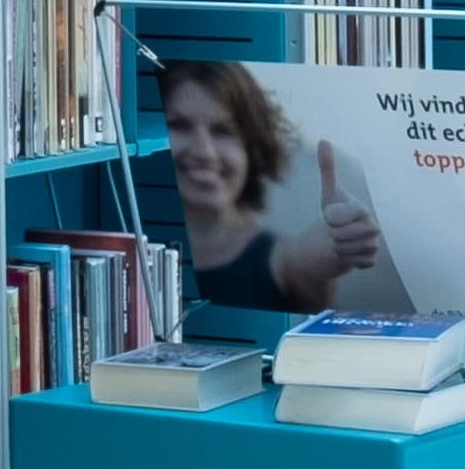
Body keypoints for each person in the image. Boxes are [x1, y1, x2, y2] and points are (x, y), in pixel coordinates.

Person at [159, 57, 385, 312]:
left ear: (253, 148)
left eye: (223, 131)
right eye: (178, 125)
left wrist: (339, 239)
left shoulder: (283, 262)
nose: (204, 152)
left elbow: (306, 261)